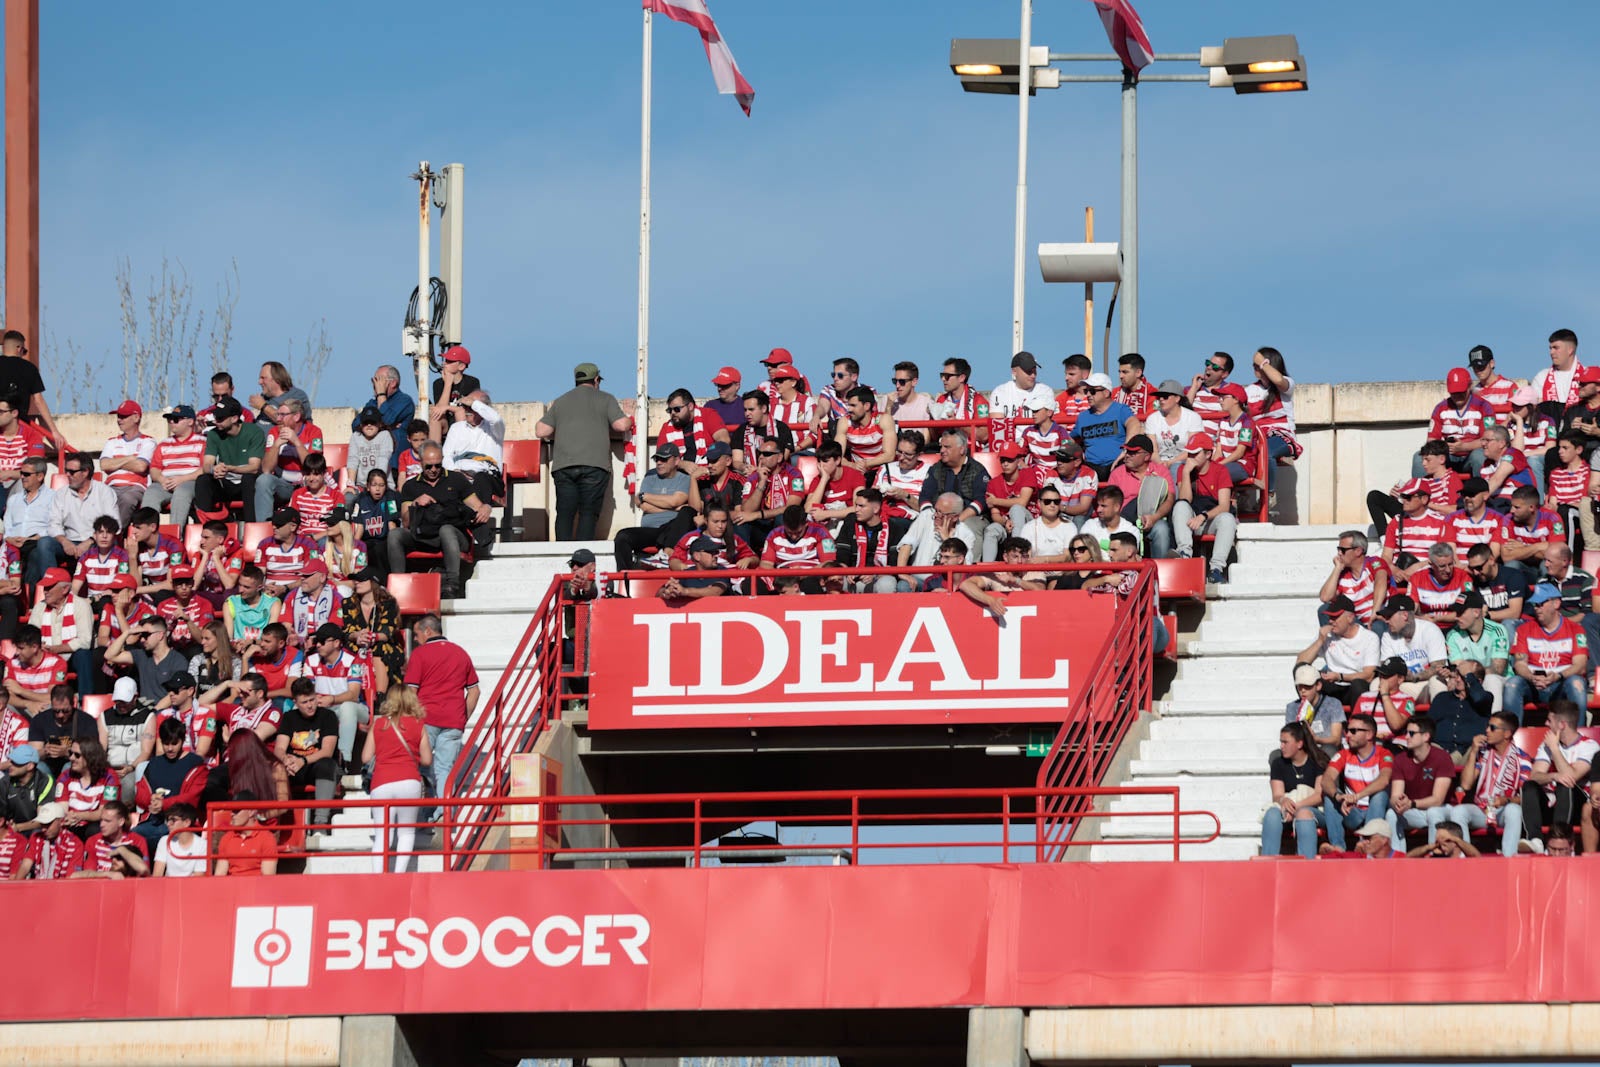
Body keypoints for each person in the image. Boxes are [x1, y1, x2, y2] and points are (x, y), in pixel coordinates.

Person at [535, 362, 630, 541]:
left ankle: (561, 552)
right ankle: (583, 553)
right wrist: (630, 416)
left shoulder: (560, 401)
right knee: (588, 512)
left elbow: (541, 431)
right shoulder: (606, 398)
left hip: (564, 465)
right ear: (596, 380)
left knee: (565, 512)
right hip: (595, 465)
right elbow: (621, 425)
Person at [387, 441, 493, 600]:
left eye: (438, 465)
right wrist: (415, 503)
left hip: (454, 535)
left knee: (446, 530)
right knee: (395, 534)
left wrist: (486, 508)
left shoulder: (456, 479)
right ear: (421, 462)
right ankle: (398, 586)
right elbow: (406, 522)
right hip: (424, 534)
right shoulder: (410, 486)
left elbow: (477, 506)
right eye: (429, 466)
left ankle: (452, 584)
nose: (434, 470)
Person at [405, 613, 479, 820]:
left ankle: (430, 806)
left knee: (423, 763)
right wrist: (463, 717)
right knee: (445, 767)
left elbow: (411, 692)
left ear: (428, 631)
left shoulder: (420, 654)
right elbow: (474, 691)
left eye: (417, 634)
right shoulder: (460, 653)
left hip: (426, 718)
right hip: (453, 719)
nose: (416, 639)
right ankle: (445, 810)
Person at [362, 684, 432, 873]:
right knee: (407, 832)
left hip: (381, 781)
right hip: (409, 780)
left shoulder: (379, 724)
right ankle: (399, 874)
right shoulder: (419, 725)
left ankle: (378, 876)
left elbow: (366, 757)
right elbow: (426, 760)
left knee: (382, 834)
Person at [1444, 711, 1529, 857]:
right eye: (1487, 726)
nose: (1487, 730)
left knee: (1514, 810)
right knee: (1458, 811)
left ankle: (1510, 860)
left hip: (1502, 811)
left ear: (1507, 734)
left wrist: (1505, 800)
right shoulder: (1482, 753)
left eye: (1492, 728)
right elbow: (1465, 784)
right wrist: (1473, 752)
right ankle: (1465, 860)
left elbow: (1526, 797)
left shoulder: (1522, 759)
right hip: (1481, 810)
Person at [288, 623, 369, 774]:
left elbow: (353, 695)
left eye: (323, 641)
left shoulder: (353, 661)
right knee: (297, 708)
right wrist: (317, 701)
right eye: (316, 640)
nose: (318, 645)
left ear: (337, 643)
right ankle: (296, 754)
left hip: (353, 708)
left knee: (347, 707)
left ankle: (344, 759)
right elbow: (306, 690)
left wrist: (331, 699)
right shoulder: (311, 660)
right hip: (321, 705)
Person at [1505, 583, 1588, 722]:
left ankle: (1578, 737)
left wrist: (1558, 676)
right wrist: (1532, 677)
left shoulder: (1576, 630)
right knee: (1512, 684)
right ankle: (1509, 739)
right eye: (1535, 604)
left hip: (1561, 683)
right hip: (1533, 684)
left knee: (1576, 683)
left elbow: (1580, 665)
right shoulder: (1524, 629)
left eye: (1541, 603)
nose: (1537, 608)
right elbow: (1519, 664)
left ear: (1556, 603)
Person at [438, 390, 505, 552]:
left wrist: (473, 402)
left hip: (488, 478)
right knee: (451, 486)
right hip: (461, 477)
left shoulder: (494, 428)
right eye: (465, 406)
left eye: (471, 407)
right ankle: (482, 532)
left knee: (482, 477)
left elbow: (495, 418)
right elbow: (446, 456)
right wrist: (456, 472)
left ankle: (482, 514)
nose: (467, 409)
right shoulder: (456, 428)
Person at [1521, 700, 1596, 845]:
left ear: (1562, 725)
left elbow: (1572, 777)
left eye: (1550, 720)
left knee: (1565, 784)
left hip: (1577, 808)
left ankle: (1559, 839)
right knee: (1529, 786)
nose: (1546, 724)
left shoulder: (1589, 746)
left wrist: (1555, 750)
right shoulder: (1546, 745)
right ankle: (1535, 841)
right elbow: (1534, 776)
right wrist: (1554, 775)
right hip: (1553, 806)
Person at [36, 451, 118, 577]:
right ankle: (52, 587)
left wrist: (90, 541)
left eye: (72, 472)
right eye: (66, 471)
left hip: (95, 542)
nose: (67, 475)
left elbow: (114, 524)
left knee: (110, 541)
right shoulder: (61, 494)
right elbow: (53, 524)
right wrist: (64, 541)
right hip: (69, 541)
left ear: (85, 472)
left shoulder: (104, 492)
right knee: (44, 543)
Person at [613, 443, 693, 571]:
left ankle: (665, 556)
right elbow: (644, 506)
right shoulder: (650, 476)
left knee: (686, 511)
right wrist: (672, 507)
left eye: (664, 459)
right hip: (650, 530)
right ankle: (626, 576)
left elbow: (675, 500)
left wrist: (646, 496)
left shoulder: (684, 479)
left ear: (677, 460)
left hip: (671, 529)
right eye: (657, 459)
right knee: (622, 537)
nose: (659, 463)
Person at [1320, 713, 1393, 851]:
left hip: (1375, 810)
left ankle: (1368, 845)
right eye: (1347, 730)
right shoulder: (1344, 754)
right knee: (1329, 795)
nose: (1348, 735)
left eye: (1353, 731)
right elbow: (1326, 779)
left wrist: (1357, 796)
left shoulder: (1384, 754)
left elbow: (1384, 780)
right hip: (1352, 811)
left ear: (1369, 734)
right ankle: (1337, 848)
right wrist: (1339, 796)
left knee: (1380, 795)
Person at [132, 716, 206, 851]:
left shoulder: (195, 764)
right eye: (166, 744)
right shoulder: (154, 763)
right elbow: (140, 793)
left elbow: (192, 799)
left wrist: (163, 804)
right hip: (154, 821)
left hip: (183, 823)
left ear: (183, 741)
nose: (170, 748)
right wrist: (151, 801)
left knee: (146, 837)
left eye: (174, 743)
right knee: (132, 837)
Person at [1172, 433, 1238, 585]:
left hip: (1210, 520)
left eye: (1195, 453)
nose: (1191, 457)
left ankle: (1216, 570)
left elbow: (1224, 506)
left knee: (1228, 519)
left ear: (1208, 454)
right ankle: (1184, 555)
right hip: (1190, 520)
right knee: (1180, 505)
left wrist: (1203, 516)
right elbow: (1184, 500)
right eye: (1189, 453)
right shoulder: (1183, 469)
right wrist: (1187, 473)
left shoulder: (1220, 471)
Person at [273, 677, 339, 829]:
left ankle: (320, 823)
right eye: (305, 702)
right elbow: (279, 748)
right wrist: (285, 759)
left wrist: (302, 761)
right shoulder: (289, 717)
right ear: (295, 702)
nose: (310, 706)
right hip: (294, 767)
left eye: (312, 700)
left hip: (316, 765)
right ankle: (276, 823)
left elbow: (327, 751)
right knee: (276, 767)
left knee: (326, 765)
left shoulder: (328, 716)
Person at [1385, 715, 1456, 851]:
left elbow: (1438, 799)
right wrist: (1398, 802)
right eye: (1406, 732)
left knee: (1434, 812)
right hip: (1415, 809)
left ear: (1426, 737)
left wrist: (1411, 803)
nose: (1406, 737)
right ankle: (1396, 860)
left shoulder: (1442, 757)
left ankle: (1435, 858)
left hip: (1443, 810)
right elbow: (1395, 794)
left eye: (1411, 733)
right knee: (1391, 813)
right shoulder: (1400, 759)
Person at [1260, 721, 1327, 858]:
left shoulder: (1317, 761)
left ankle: (1307, 865)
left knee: (1304, 814)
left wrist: (1295, 807)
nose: (1281, 746)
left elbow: (1319, 795)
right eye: (1281, 742)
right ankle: (1267, 863)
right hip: (1289, 807)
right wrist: (1284, 800)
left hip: (1314, 808)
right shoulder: (1278, 763)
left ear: (1300, 744)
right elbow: (1277, 795)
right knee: (1272, 813)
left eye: (1285, 742)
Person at [1412, 367, 1495, 477]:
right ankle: (1421, 492)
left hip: (1472, 454)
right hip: (1447, 457)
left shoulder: (1484, 406)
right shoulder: (1440, 408)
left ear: (1469, 387)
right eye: (1454, 392)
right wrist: (1445, 447)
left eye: (1461, 391)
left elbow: (1488, 440)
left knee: (1480, 456)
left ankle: (1482, 492)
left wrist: (1464, 447)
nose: (1457, 396)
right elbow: (1431, 440)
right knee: (1419, 457)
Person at [1104, 434, 1175, 559]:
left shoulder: (1161, 471)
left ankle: (1159, 574)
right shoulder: (1117, 473)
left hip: (1153, 519)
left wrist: (1154, 517)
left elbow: (1170, 498)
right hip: (1125, 522)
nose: (1127, 455)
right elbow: (1109, 502)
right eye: (1126, 451)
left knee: (1161, 529)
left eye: (1133, 452)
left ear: (1147, 456)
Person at [195, 396, 266, 521]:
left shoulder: (254, 432)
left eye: (221, 418)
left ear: (234, 418)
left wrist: (230, 468)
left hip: (247, 483)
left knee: (249, 479)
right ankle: (203, 526)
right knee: (203, 480)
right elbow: (207, 465)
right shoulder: (213, 434)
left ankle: (251, 527)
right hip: (226, 484)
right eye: (215, 417)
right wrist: (214, 470)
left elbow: (254, 468)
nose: (216, 421)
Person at [26, 568, 94, 696]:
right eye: (44, 587)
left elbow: (85, 641)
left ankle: (85, 700)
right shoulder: (39, 607)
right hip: (45, 654)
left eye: (49, 587)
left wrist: (57, 649)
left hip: (71, 656)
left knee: (84, 655)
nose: (45, 591)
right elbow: (30, 636)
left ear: (64, 589)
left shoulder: (81, 605)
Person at [341, 570, 404, 694]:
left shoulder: (387, 603)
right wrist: (357, 636)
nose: (357, 582)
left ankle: (380, 695)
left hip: (384, 644)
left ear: (374, 582)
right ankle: (351, 692)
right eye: (355, 579)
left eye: (362, 579)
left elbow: (387, 631)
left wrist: (372, 636)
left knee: (379, 647)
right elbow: (347, 630)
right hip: (356, 643)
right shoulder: (348, 603)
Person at [1375, 595, 1448, 701]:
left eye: (1389, 616)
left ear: (1405, 615)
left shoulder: (1430, 630)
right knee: (1376, 683)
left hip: (1426, 684)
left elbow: (1438, 666)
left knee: (1437, 681)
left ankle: (1441, 717)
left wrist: (1414, 677)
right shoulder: (1387, 635)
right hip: (1402, 684)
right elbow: (1385, 667)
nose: (1386, 621)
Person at [917, 430, 987, 540]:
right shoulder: (935, 469)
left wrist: (957, 520)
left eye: (947, 447)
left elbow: (981, 500)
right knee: (921, 524)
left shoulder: (977, 470)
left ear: (962, 449)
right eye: (941, 447)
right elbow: (925, 496)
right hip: (939, 517)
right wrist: (932, 518)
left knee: (971, 527)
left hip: (969, 518)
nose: (942, 451)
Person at [897, 492, 973, 589]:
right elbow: (907, 544)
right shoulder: (926, 516)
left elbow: (965, 566)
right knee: (904, 586)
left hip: (946, 583)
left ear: (954, 517)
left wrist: (947, 540)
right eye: (936, 510)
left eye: (941, 513)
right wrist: (902, 573)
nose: (936, 515)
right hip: (919, 579)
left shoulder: (966, 534)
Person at [105, 616, 190, 702]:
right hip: (144, 710)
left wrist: (155, 711)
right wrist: (127, 632)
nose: (142, 640)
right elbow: (109, 656)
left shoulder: (178, 661)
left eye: (146, 635)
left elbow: (175, 694)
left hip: (166, 711)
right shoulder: (141, 655)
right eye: (141, 635)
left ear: (160, 635)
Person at [98, 399, 155, 527]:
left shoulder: (148, 441)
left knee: (127, 499)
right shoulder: (112, 441)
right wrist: (130, 458)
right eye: (118, 416)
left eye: (124, 416)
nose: (119, 420)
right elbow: (104, 465)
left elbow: (141, 466)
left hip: (135, 487)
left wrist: (116, 462)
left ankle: (114, 533)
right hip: (111, 487)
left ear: (136, 418)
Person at [1071, 373, 1139, 479]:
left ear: (1106, 393)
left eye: (1092, 391)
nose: (1088, 395)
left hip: (1118, 464)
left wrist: (1126, 451)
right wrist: (1078, 453)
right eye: (1086, 391)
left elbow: (1134, 423)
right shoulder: (1083, 417)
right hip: (1091, 468)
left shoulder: (1121, 410)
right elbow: (1070, 439)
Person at [980, 442, 1040, 562]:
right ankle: (987, 569)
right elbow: (995, 514)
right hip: (1007, 525)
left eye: (1010, 460)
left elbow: (1022, 502)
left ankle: (1017, 555)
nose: (1005, 463)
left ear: (1018, 460)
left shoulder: (1027, 474)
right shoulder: (994, 483)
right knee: (991, 529)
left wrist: (996, 501)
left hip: (1030, 523)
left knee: (1016, 509)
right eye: (1003, 460)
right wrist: (1005, 521)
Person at [1318, 531, 1387, 628]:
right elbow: (1325, 598)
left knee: (1377, 626)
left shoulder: (1374, 562)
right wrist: (1337, 568)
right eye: (1338, 549)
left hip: (1380, 618)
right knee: (1324, 610)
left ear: (1358, 551)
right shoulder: (1343, 574)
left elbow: (1381, 581)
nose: (1339, 553)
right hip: (1357, 624)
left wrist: (1375, 613)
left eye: (1342, 550)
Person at [1426, 660, 1494, 757]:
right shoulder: (1442, 698)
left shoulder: (1485, 699)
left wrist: (1468, 674)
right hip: (1439, 750)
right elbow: (1428, 725)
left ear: (1478, 681)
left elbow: (1479, 697)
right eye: (1457, 676)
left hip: (1468, 752)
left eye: (1463, 677)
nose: (1458, 680)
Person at [987, 352, 1057, 442]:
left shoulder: (1045, 391)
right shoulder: (1000, 392)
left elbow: (1049, 425)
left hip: (1037, 442)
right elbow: (998, 431)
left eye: (1034, 370)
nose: (1033, 375)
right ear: (1014, 371)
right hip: (1009, 444)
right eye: (1028, 371)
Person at [6, 456, 54, 584]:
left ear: (40, 476)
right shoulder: (14, 499)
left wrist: (33, 538)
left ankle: (29, 599)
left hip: (35, 542)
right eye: (21, 473)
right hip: (12, 544)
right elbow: (7, 525)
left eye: (26, 474)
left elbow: (55, 526)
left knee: (36, 554)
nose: (22, 477)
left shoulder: (53, 498)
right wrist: (9, 538)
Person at [212, 791, 279, 876]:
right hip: (232, 887)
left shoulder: (266, 838)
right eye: (232, 810)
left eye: (236, 810)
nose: (232, 814)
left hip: (255, 887)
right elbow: (220, 875)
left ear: (251, 812)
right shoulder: (227, 837)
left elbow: (268, 877)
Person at [1285, 663, 1346, 754]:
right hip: (1302, 751)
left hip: (1325, 749)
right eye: (1300, 686)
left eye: (1307, 686)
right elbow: (1289, 737)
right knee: (1276, 755)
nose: (1303, 690)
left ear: (1318, 686)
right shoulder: (1292, 707)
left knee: (1329, 749)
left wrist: (1316, 739)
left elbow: (1336, 739)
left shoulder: (1333, 704)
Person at [357, 364, 416, 458]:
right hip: (374, 460)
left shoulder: (404, 401)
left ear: (393, 383)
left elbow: (387, 420)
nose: (374, 384)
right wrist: (385, 426)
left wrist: (381, 394)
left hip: (394, 460)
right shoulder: (372, 403)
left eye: (378, 380)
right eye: (373, 380)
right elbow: (355, 425)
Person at [1144, 379, 1204, 470]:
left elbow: (1192, 449)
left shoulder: (1193, 417)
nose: (1161, 399)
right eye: (1159, 397)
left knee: (1176, 468)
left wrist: (1171, 463)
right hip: (1158, 463)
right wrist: (1161, 464)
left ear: (1177, 398)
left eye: (1165, 396)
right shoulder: (1152, 419)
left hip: (1185, 463)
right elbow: (1153, 451)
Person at [13, 801, 83, 879]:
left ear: (61, 821)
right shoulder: (36, 838)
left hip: (62, 888)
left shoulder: (75, 844)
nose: (43, 829)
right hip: (38, 887)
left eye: (48, 824)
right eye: (42, 824)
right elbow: (25, 866)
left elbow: (71, 877)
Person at [929, 358, 990, 445]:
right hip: (944, 448)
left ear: (961, 378)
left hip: (969, 450)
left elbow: (984, 436)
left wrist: (958, 424)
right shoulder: (941, 400)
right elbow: (935, 436)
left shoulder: (979, 402)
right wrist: (932, 417)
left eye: (947, 376)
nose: (943, 379)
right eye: (942, 375)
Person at [1532, 328, 1584, 421]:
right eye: (1550, 348)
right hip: (1549, 431)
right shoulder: (1542, 377)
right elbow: (1534, 408)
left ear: (1570, 350)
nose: (1551, 352)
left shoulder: (1587, 376)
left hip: (1579, 432)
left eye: (1556, 348)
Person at [151, 803, 206, 877]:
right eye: (168, 820)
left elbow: (199, 877)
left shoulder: (202, 844)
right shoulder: (164, 841)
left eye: (173, 820)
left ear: (187, 822)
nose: (168, 824)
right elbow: (157, 875)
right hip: (168, 887)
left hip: (191, 887)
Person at [250, 361, 313, 427]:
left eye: (263, 378)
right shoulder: (264, 397)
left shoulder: (297, 395)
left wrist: (263, 406)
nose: (259, 382)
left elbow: (288, 422)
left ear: (277, 379)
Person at [886, 361, 932, 427]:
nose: (897, 385)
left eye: (902, 382)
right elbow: (881, 432)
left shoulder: (927, 404)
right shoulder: (888, 402)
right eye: (895, 381)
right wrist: (888, 407)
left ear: (914, 382)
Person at [1055, 354, 1093, 429]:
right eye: (1066, 374)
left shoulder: (1097, 396)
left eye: (1071, 374)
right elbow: (1060, 427)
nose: (1066, 378)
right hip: (1068, 439)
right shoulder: (1062, 398)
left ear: (1085, 374)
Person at [705, 366, 747, 433]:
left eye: (724, 385)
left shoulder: (746, 406)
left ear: (737, 386)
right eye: (718, 385)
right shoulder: (710, 406)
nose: (719, 388)